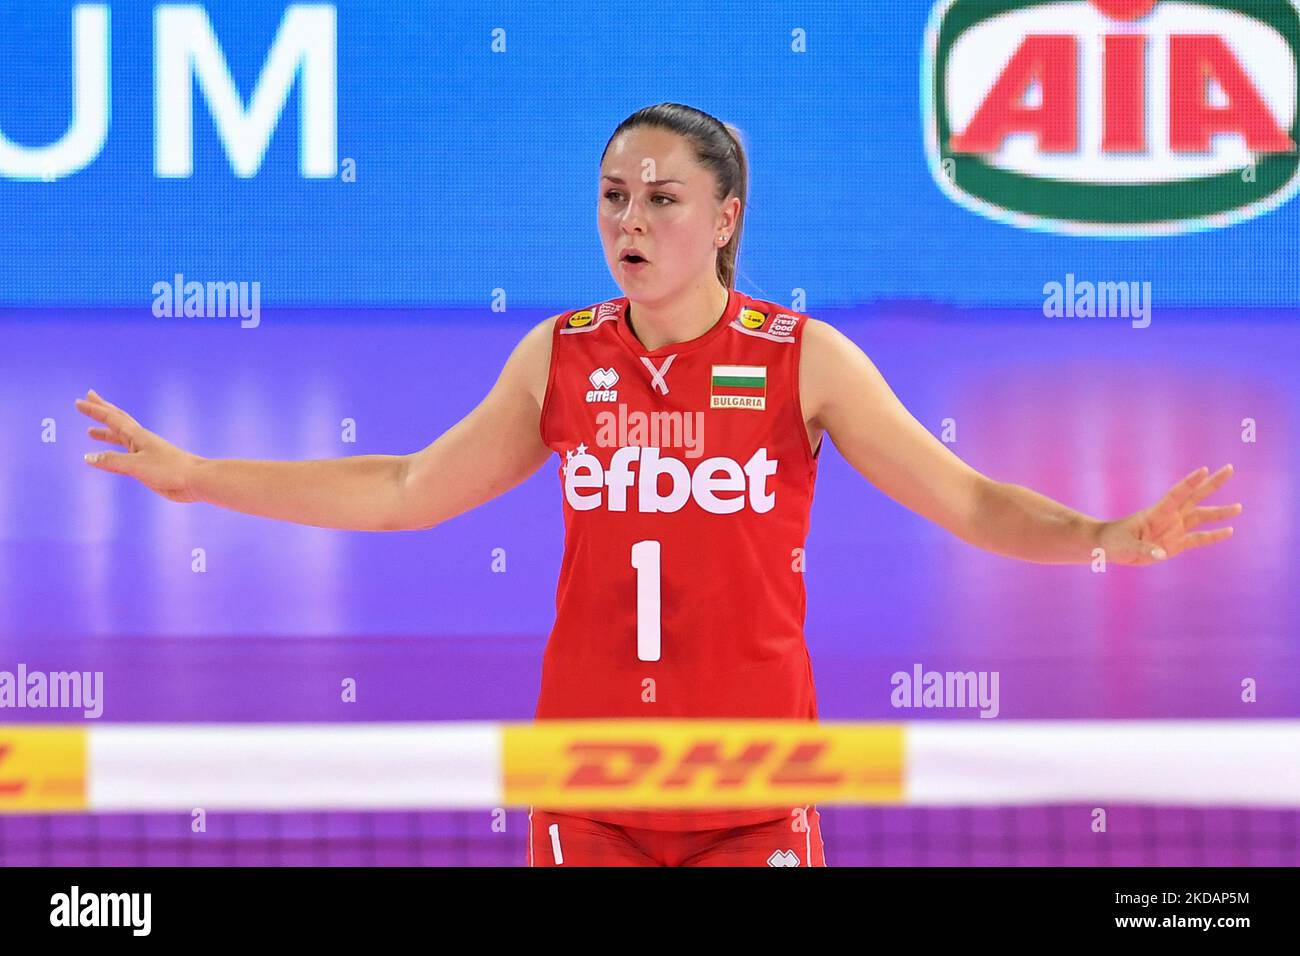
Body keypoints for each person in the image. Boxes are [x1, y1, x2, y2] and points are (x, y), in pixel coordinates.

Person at [76, 103, 1241, 867]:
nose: (629, 219)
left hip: (757, 789)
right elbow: (403, 488)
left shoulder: (803, 358)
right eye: (613, 195)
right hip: (585, 786)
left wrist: (1107, 536)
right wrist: (201, 476)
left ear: (725, 218)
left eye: (662, 198)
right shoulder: (559, 354)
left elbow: (971, 500)